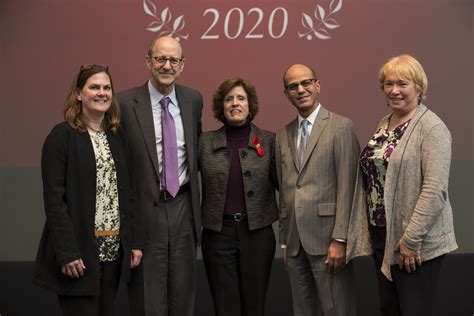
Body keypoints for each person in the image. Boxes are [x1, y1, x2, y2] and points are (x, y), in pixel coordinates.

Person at [347, 54, 458, 316]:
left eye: (402, 84)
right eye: (388, 84)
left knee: (412, 310)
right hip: (383, 234)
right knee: (391, 309)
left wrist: (411, 239)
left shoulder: (432, 128)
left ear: (419, 87)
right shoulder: (385, 123)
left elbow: (435, 189)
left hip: (413, 241)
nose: (394, 90)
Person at [33, 64, 142, 316]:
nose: (101, 93)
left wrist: (134, 242)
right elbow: (54, 202)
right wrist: (67, 252)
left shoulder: (117, 136)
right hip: (80, 256)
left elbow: (130, 194)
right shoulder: (61, 137)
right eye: (94, 87)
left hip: (114, 251)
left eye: (106, 87)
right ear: (79, 94)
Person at [117, 36, 203, 316]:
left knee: (183, 297)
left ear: (182, 64)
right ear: (148, 62)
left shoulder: (192, 100)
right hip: (145, 212)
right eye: (160, 59)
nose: (167, 65)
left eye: (173, 60)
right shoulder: (124, 103)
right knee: (148, 300)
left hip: (184, 209)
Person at [275, 64, 359, 316]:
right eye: (293, 86)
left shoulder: (341, 126)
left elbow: (349, 186)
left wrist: (341, 239)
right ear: (286, 94)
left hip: (328, 242)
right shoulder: (282, 134)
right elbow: (285, 189)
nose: (300, 89)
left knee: (337, 310)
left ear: (317, 85)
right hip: (294, 243)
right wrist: (284, 243)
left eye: (306, 83)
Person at [199, 77, 278, 316]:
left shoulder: (269, 140)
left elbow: (285, 185)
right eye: (229, 99)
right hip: (217, 235)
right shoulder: (204, 142)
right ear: (221, 106)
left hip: (258, 235)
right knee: (225, 308)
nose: (235, 103)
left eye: (241, 98)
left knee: (254, 307)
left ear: (250, 105)